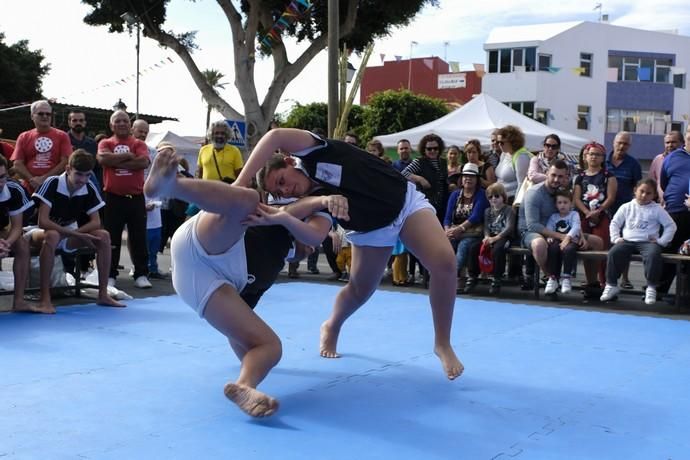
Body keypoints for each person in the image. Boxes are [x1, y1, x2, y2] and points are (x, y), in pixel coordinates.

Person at [236, 128, 463, 381]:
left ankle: (442, 343)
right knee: (360, 290)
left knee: (444, 264)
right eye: (279, 192)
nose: (286, 190)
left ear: (289, 161)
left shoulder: (314, 151)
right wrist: (290, 212)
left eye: (281, 181)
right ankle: (332, 324)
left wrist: (240, 182)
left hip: (404, 204)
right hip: (369, 230)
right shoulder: (314, 200)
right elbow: (312, 233)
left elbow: (275, 136)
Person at [143, 145, 336, 417]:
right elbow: (287, 213)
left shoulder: (283, 252)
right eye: (279, 186)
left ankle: (244, 387)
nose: (285, 191)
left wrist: (250, 354)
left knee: (270, 347)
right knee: (247, 200)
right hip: (209, 243)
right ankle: (171, 185)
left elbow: (239, 333)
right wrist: (321, 200)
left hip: (202, 281)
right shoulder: (279, 210)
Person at [29, 150, 124, 313]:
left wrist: (76, 233)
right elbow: (43, 222)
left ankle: (102, 294)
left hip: (67, 232)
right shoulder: (52, 183)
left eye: (87, 175)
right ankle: (45, 299)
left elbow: (96, 222)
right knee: (52, 235)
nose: (83, 180)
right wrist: (77, 235)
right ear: (67, 169)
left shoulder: (88, 186)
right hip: (37, 232)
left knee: (103, 236)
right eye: (79, 174)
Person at [518, 160, 602, 294]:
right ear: (546, 173)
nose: (556, 179)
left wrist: (580, 236)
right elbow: (533, 225)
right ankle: (551, 277)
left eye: (561, 176)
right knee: (539, 244)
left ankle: (591, 285)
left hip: (559, 231)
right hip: (532, 232)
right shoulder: (534, 193)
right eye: (553, 175)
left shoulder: (563, 192)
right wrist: (564, 237)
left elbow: (572, 217)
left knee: (597, 242)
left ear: (566, 177)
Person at [97, 110, 151, 288]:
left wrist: (115, 161)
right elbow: (102, 159)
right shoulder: (106, 142)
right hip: (113, 198)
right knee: (112, 238)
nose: (121, 123)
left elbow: (143, 162)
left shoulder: (137, 143)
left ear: (130, 124)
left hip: (136, 198)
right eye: (117, 121)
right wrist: (128, 156)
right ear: (111, 125)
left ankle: (141, 274)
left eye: (125, 121)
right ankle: (110, 274)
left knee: (139, 237)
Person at [601, 179, 677, 305]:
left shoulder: (657, 209)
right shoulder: (626, 207)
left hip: (647, 243)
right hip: (627, 241)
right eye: (641, 191)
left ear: (654, 195)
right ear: (635, 190)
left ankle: (651, 287)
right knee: (614, 252)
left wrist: (661, 241)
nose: (644, 195)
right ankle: (611, 285)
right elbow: (615, 223)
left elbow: (671, 226)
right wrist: (615, 238)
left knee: (653, 255)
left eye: (648, 193)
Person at [573, 142, 617, 287]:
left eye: (597, 154)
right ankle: (591, 281)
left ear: (603, 158)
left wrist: (598, 211)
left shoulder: (608, 176)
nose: (594, 157)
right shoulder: (580, 177)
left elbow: (611, 197)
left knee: (602, 248)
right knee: (587, 248)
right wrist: (586, 212)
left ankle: (605, 282)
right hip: (584, 215)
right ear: (586, 156)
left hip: (602, 215)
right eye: (591, 154)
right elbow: (576, 198)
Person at [443, 163, 489, 294]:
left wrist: (460, 229)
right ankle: (445, 276)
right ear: (461, 179)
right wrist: (447, 230)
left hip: (473, 232)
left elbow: (476, 217)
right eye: (465, 176)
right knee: (445, 245)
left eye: (471, 177)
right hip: (453, 231)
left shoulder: (481, 195)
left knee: (463, 247)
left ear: (477, 179)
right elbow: (447, 216)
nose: (468, 179)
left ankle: (451, 278)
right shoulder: (455, 194)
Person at [10, 100, 71, 194]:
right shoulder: (23, 136)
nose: (45, 116)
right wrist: (32, 180)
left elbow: (65, 162)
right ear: (32, 116)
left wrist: (45, 179)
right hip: (29, 189)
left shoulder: (62, 136)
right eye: (41, 113)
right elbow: (17, 164)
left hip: (55, 188)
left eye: (48, 114)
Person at [0, 156, 36, 313]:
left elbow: (16, 226)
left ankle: (19, 301)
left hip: (2, 231)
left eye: (2, 177)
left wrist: (6, 243)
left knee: (21, 244)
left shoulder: (14, 189)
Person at [606, 131, 642, 290]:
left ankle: (625, 279)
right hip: (604, 209)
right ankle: (605, 279)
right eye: (619, 142)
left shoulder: (634, 164)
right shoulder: (603, 160)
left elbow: (638, 187)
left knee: (625, 243)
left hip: (626, 210)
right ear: (613, 142)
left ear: (629, 146)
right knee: (605, 244)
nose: (622, 146)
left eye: (626, 144)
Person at [657, 127, 690, 298]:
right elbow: (664, 183)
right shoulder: (673, 157)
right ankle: (658, 291)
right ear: (686, 136)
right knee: (668, 250)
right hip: (676, 213)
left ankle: (685, 295)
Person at [544, 190, 581, 294]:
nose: (562, 205)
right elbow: (549, 228)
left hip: (571, 240)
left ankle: (566, 277)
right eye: (559, 203)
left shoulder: (574, 214)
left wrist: (568, 238)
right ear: (556, 204)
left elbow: (576, 227)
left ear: (570, 203)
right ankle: (553, 278)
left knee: (568, 250)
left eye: (565, 202)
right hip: (557, 240)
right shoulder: (554, 216)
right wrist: (549, 237)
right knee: (552, 248)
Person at [482, 182, 515, 295]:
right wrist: (486, 237)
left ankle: (497, 278)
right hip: (491, 236)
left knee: (498, 250)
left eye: (496, 196)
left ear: (503, 197)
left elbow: (509, 228)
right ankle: (473, 276)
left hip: (504, 237)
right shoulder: (487, 211)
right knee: (474, 247)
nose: (493, 199)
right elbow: (486, 226)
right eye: (490, 197)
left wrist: (495, 238)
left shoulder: (509, 210)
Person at [495, 125, 531, 202]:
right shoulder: (504, 153)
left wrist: (516, 204)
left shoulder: (521, 157)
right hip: (500, 199)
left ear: (512, 142)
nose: (499, 145)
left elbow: (522, 184)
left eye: (502, 142)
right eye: (498, 142)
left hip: (511, 199)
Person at [648, 131, 682, 207]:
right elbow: (651, 182)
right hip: (661, 207)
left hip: (682, 207)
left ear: (682, 143)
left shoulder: (686, 160)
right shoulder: (658, 159)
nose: (670, 145)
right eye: (667, 142)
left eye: (674, 142)